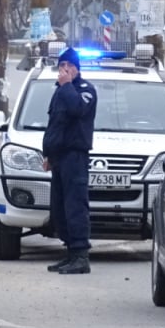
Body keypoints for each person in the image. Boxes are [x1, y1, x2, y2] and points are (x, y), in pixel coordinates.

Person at [42, 47, 97, 275]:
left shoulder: (85, 90)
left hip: (75, 156)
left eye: (68, 67)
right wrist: (48, 154)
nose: (63, 71)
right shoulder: (60, 92)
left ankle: (80, 254)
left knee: (75, 206)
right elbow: (54, 125)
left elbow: (77, 110)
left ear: (76, 68)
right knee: (60, 208)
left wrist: (66, 86)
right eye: (61, 66)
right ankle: (69, 252)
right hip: (59, 157)